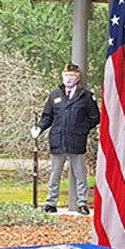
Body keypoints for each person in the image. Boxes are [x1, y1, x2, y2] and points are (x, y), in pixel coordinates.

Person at [35, 62, 99, 215]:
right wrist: (39, 128)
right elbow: (47, 116)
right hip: (58, 140)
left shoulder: (86, 96)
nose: (68, 79)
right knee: (55, 173)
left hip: (77, 141)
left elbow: (95, 117)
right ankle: (51, 203)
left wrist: (82, 129)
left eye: (71, 76)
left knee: (80, 174)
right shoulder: (55, 95)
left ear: (77, 78)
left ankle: (82, 203)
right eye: (66, 76)